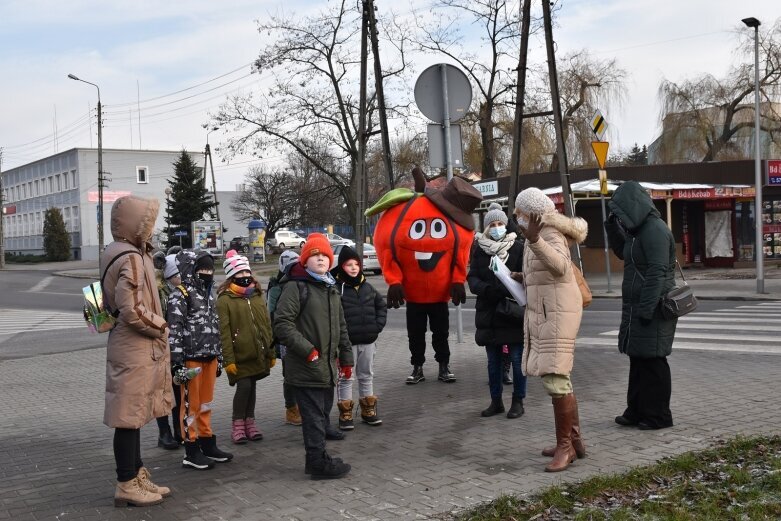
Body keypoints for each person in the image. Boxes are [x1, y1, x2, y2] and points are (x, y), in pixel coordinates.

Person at [100, 195, 172, 507]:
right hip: (135, 347)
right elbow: (131, 310)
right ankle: (126, 483)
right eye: (148, 223)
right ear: (134, 225)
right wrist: (161, 326)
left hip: (127, 345)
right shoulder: (129, 257)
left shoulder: (115, 252)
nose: (152, 229)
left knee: (134, 414)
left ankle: (137, 474)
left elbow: (103, 306)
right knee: (128, 417)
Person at [515, 187, 588, 472]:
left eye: (520, 213)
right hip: (551, 311)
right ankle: (574, 440)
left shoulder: (548, 234)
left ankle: (565, 448)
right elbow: (546, 271)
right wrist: (523, 277)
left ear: (532, 214)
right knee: (560, 377)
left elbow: (560, 266)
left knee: (556, 378)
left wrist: (534, 239)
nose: (516, 218)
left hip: (557, 314)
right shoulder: (540, 234)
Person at [273, 233, 354, 480]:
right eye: (315, 255)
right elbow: (282, 323)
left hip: (327, 367)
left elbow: (341, 327)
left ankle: (316, 459)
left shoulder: (329, 288)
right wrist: (308, 350)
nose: (320, 259)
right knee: (314, 418)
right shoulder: (295, 286)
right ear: (305, 260)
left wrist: (347, 359)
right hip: (306, 366)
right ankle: (318, 463)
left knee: (321, 414)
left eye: (325, 255)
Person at [604, 180, 677, 430]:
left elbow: (657, 272)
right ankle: (636, 410)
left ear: (633, 207)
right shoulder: (637, 232)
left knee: (654, 362)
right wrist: (612, 226)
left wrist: (647, 308)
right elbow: (623, 253)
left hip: (654, 308)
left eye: (622, 212)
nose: (621, 217)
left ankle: (659, 416)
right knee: (638, 360)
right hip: (639, 307)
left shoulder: (655, 229)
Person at [168, 250, 233, 470]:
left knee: (205, 403)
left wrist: (220, 357)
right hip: (190, 359)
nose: (207, 273)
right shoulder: (180, 295)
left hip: (210, 356)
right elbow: (174, 331)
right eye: (202, 269)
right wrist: (176, 363)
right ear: (191, 270)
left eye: (209, 269)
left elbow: (216, 326)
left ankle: (207, 442)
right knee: (190, 405)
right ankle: (191, 449)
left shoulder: (209, 294)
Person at [467, 203, 527, 419]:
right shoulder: (479, 249)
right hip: (489, 313)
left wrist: (505, 286)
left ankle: (518, 401)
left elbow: (526, 276)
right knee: (493, 363)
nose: (496, 227)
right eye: (492, 224)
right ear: (486, 228)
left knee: (518, 360)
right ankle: (496, 402)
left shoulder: (518, 247)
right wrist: (487, 289)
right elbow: (472, 278)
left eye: (500, 223)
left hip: (511, 312)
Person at [217, 250, 275, 444]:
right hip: (239, 355)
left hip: (258, 352)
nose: (244, 276)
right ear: (231, 276)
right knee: (244, 386)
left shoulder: (257, 295)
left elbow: (266, 325)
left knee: (252, 387)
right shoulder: (225, 299)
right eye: (239, 273)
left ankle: (250, 422)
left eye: (246, 272)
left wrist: (271, 351)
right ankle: (238, 424)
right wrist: (228, 360)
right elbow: (224, 332)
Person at [330, 246, 388, 430]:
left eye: (356, 264)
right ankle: (345, 413)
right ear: (341, 267)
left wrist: (376, 327)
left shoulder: (367, 286)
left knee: (366, 375)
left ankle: (368, 410)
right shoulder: (335, 289)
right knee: (346, 377)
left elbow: (381, 306)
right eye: (349, 264)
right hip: (346, 344)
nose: (354, 268)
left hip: (368, 341)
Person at [266, 250, 303, 426]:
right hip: (285, 338)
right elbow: (273, 315)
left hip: (303, 335)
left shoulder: (302, 282)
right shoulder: (276, 287)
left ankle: (302, 406)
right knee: (289, 375)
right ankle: (291, 409)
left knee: (303, 372)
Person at [151, 251, 183, 449]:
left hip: (177, 348)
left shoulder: (181, 291)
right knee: (162, 391)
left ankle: (179, 428)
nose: (182, 278)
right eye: (178, 275)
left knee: (179, 388)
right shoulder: (158, 292)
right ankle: (164, 433)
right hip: (160, 348)